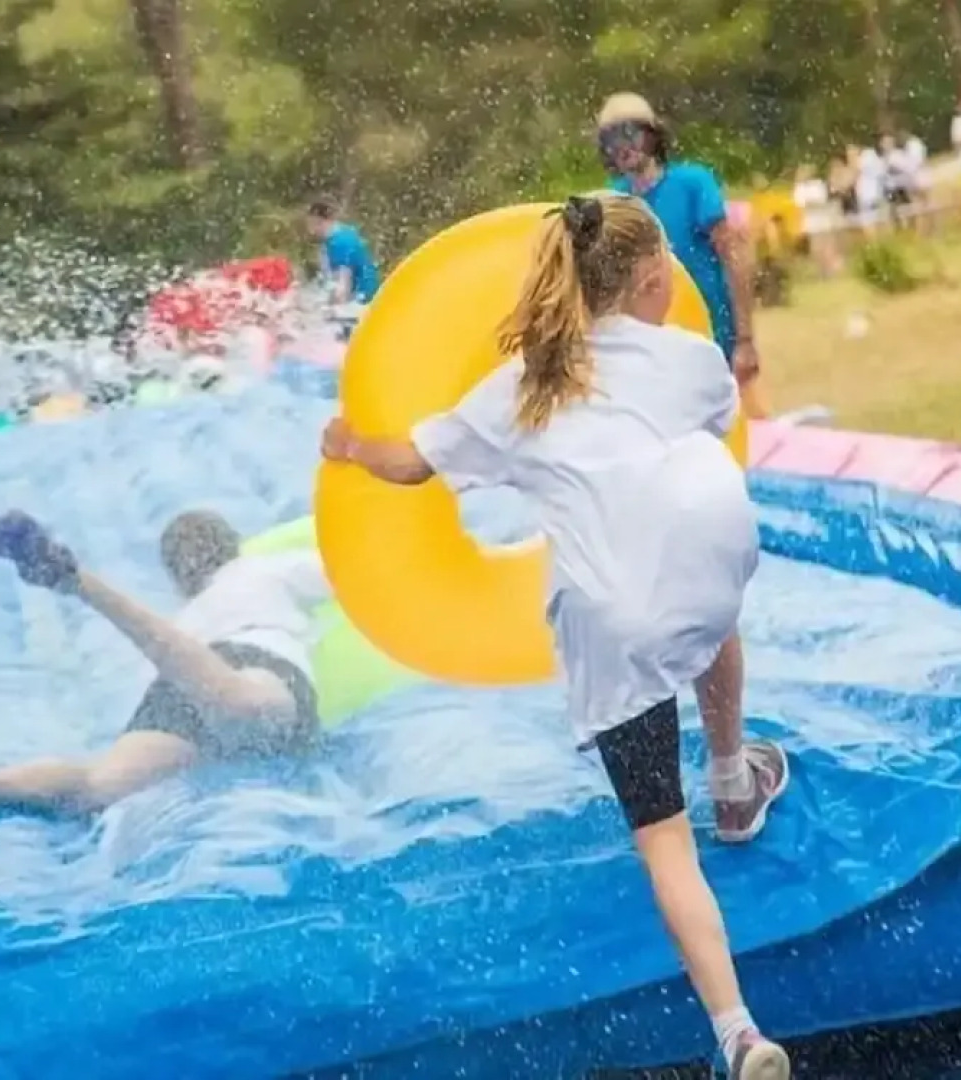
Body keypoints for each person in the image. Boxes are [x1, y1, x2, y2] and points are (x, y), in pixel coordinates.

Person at [320, 193, 792, 1080]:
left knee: (663, 840)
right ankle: (734, 779)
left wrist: (348, 446)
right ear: (656, 279)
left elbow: (410, 464)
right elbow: (695, 436)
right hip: (706, 572)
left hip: (611, 619)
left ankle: (738, 1033)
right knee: (706, 605)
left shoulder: (522, 388)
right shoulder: (690, 360)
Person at [0, 509, 330, 860]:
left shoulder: (188, 613)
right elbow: (352, 571)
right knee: (243, 703)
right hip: (254, 659)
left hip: (177, 678)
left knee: (97, 787)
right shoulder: (262, 568)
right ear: (234, 546)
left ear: (177, 577)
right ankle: (77, 582)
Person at [594, 93, 761, 393]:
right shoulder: (617, 201)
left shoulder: (693, 183)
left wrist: (745, 340)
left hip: (713, 339)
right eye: (611, 138)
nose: (622, 145)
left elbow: (733, 257)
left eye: (629, 132)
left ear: (651, 135)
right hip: (653, 352)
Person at [304, 196, 381, 306]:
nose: (310, 230)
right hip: (364, 297)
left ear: (318, 221)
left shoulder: (341, 242)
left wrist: (322, 306)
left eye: (310, 224)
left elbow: (343, 288)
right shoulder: (341, 233)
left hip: (363, 303)